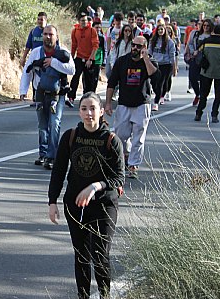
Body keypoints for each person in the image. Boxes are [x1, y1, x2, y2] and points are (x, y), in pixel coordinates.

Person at [48, 91, 124, 299]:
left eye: (93, 108)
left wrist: (96, 186)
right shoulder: (71, 137)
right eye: (84, 108)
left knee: (100, 254)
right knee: (81, 254)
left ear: (102, 111)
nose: (88, 113)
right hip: (75, 203)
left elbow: (118, 179)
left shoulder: (111, 140)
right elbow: (58, 171)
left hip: (103, 205)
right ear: (79, 111)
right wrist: (52, 201)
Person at [20, 25, 76, 169]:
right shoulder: (36, 53)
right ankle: (43, 153)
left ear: (56, 37)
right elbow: (28, 70)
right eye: (45, 34)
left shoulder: (63, 52)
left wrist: (54, 63)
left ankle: (52, 156)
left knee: (54, 123)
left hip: (57, 95)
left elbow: (72, 69)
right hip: (40, 94)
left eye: (51, 34)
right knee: (42, 125)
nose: (48, 37)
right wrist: (23, 90)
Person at [104, 35, 158, 179]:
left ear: (144, 48)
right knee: (121, 135)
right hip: (124, 104)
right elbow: (111, 83)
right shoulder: (122, 61)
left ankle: (133, 165)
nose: (135, 48)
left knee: (138, 137)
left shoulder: (149, 61)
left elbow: (154, 74)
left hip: (142, 104)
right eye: (133, 45)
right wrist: (108, 103)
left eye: (139, 46)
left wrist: (145, 58)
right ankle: (125, 155)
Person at [195, 24, 220, 124]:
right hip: (219, 71)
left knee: (203, 94)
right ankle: (214, 115)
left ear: (213, 31)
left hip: (206, 70)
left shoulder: (206, 41)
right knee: (218, 95)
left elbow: (198, 49)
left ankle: (198, 113)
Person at [67, 13, 99, 107]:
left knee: (89, 81)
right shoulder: (75, 31)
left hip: (90, 58)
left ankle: (88, 99)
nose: (85, 22)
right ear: (79, 21)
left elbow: (95, 45)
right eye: (82, 20)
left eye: (86, 20)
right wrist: (71, 58)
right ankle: (71, 98)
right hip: (79, 57)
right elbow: (74, 45)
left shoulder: (92, 30)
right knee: (75, 77)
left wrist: (90, 59)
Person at [20, 12, 49, 103]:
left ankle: (47, 96)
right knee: (34, 75)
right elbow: (28, 46)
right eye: (38, 19)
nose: (40, 21)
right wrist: (24, 58)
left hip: (46, 58)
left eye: (42, 19)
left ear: (46, 20)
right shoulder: (33, 31)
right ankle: (36, 97)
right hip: (35, 58)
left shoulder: (50, 31)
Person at [149, 23, 177, 111]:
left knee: (161, 83)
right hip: (155, 64)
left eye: (162, 29)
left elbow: (172, 55)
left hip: (166, 65)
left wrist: (174, 67)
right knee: (154, 83)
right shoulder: (153, 41)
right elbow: (149, 52)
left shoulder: (169, 42)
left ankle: (156, 102)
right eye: (159, 30)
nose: (160, 31)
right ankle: (159, 94)